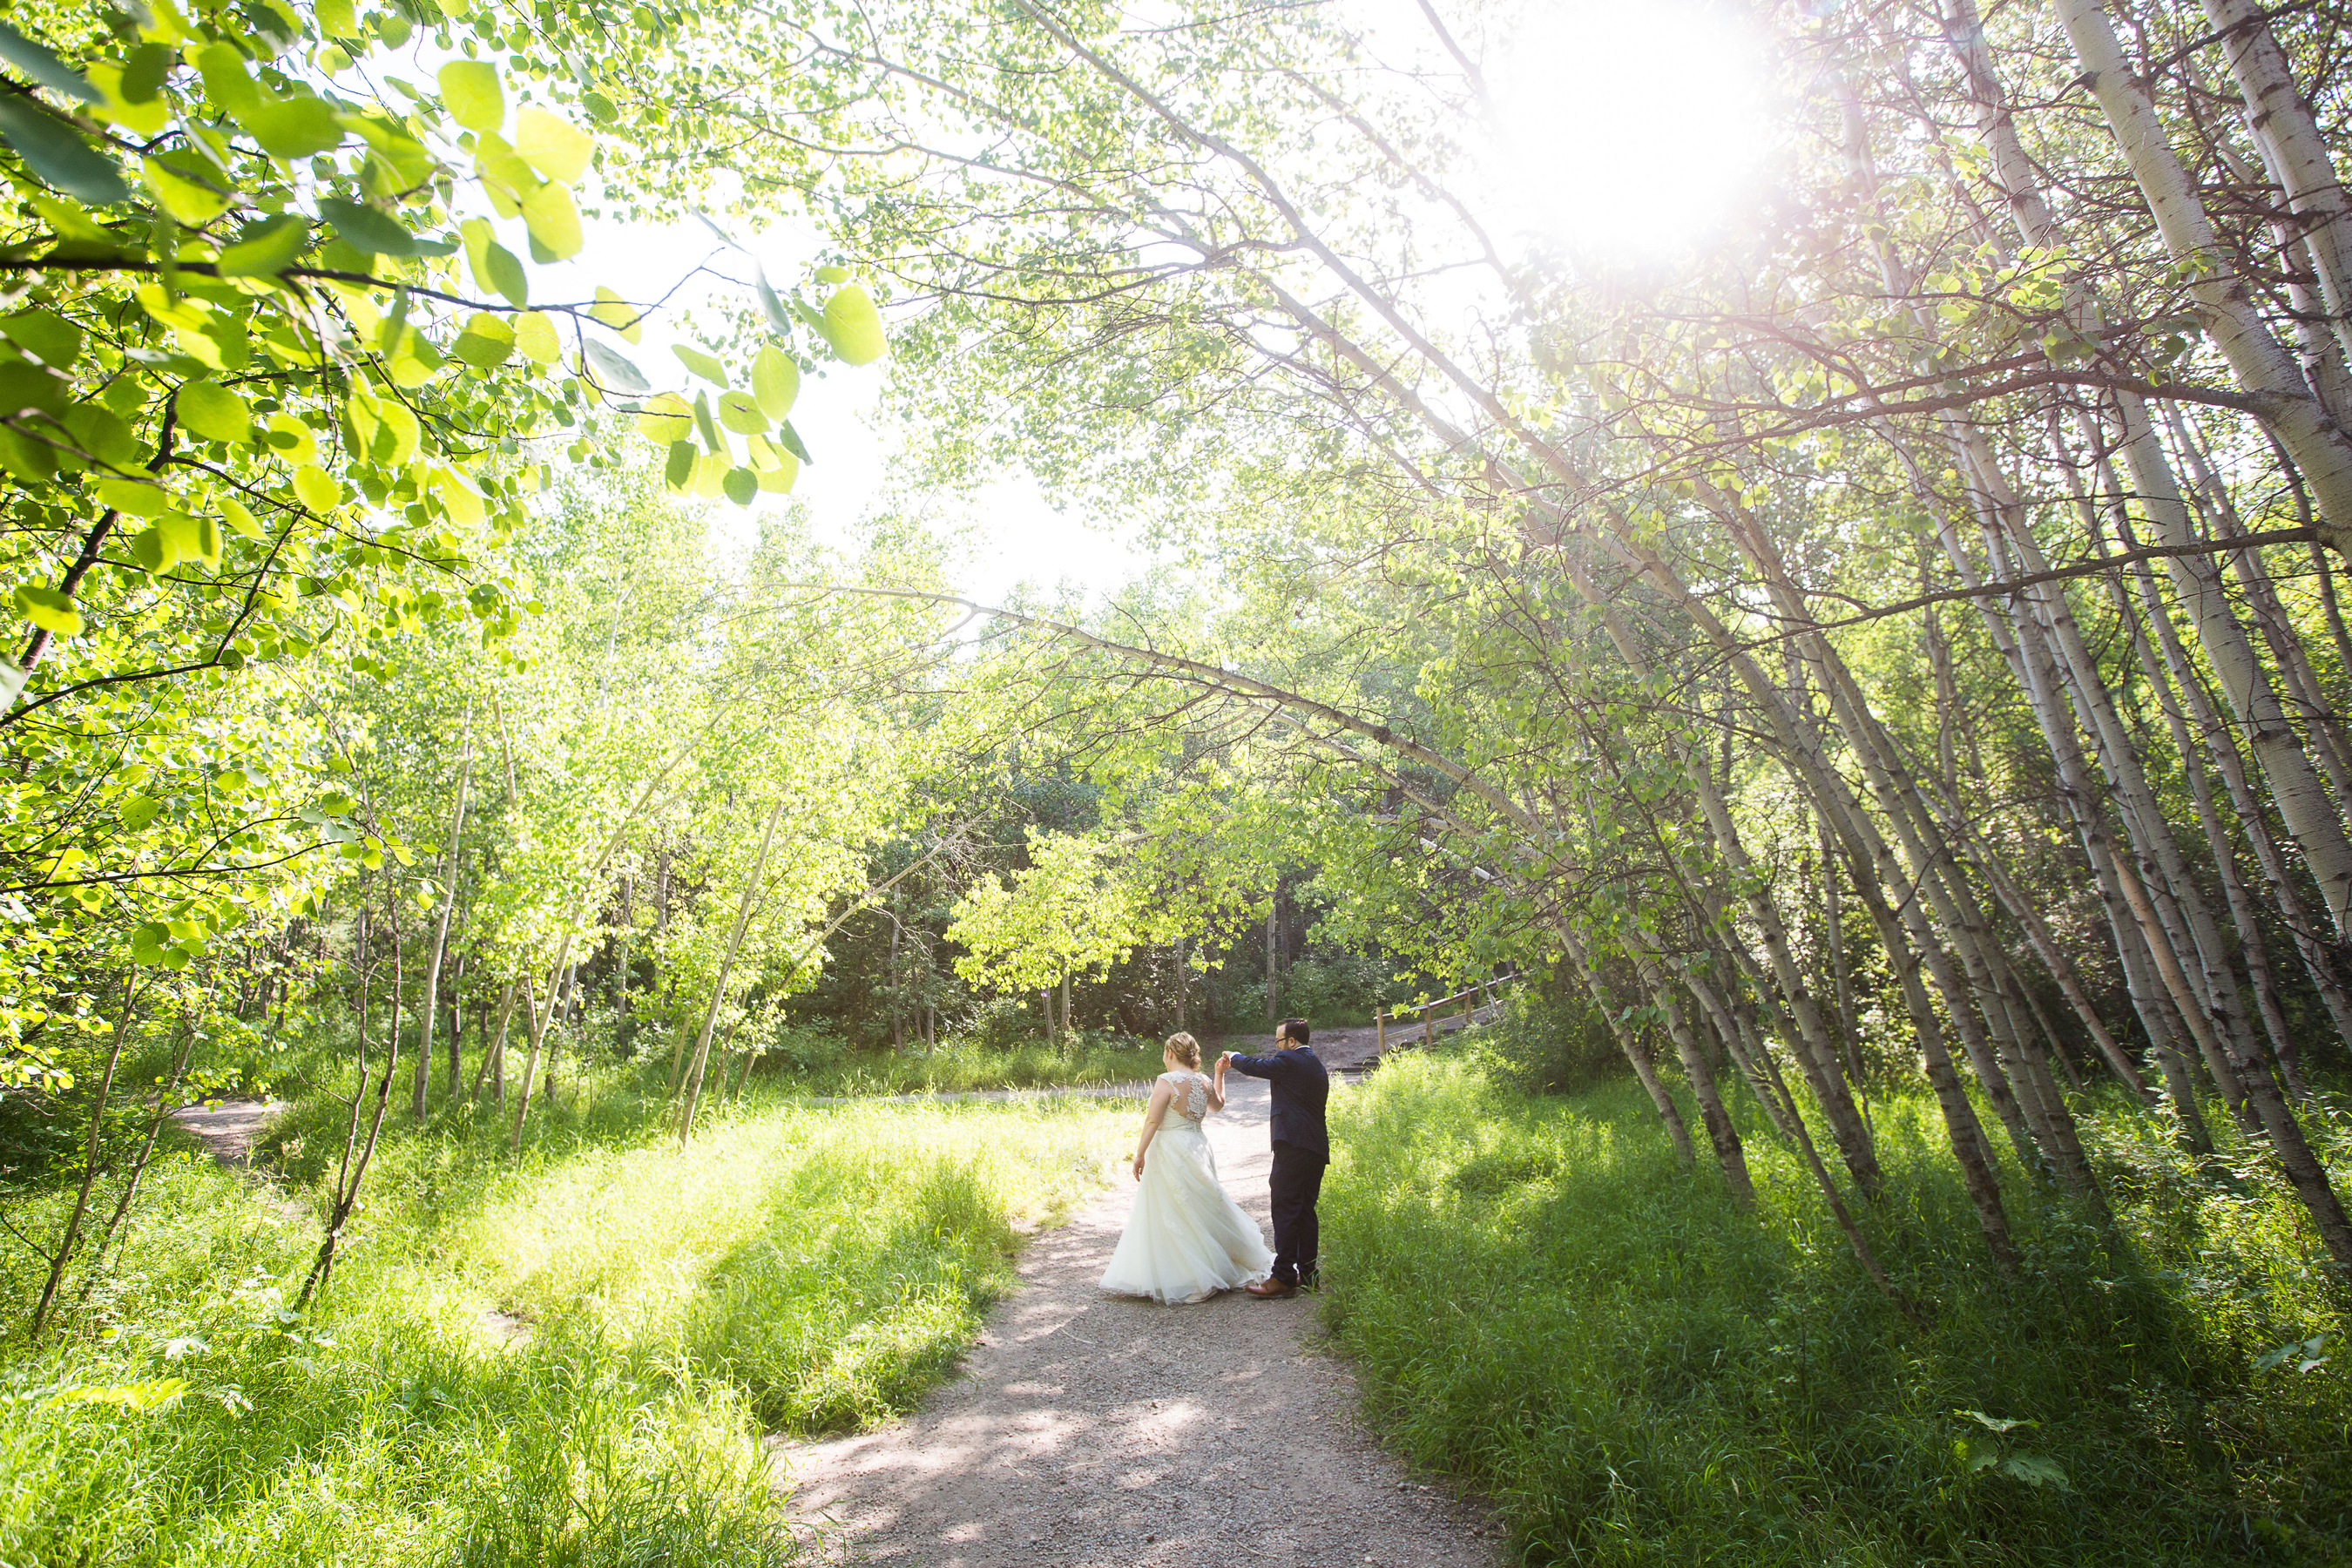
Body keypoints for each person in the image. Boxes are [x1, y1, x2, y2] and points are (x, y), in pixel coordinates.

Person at [1098, 1032, 1275, 1305]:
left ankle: (1190, 1274)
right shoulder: (1203, 1081)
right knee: (1198, 1204)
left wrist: (1139, 1154)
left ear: (1170, 1052)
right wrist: (1220, 1075)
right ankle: (1205, 1266)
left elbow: (1152, 1121)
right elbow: (1218, 1105)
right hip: (1197, 1145)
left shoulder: (1166, 1081)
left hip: (1170, 1147)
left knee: (1172, 1207)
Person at [1220, 1017, 1328, 1299]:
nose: (1277, 1047)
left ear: (1291, 1042)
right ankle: (1308, 1273)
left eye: (1279, 1042)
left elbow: (1257, 1066)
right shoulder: (1317, 1065)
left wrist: (1234, 1057)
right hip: (1316, 1149)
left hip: (1292, 1146)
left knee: (1284, 1207)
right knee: (1305, 1211)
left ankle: (1282, 1276)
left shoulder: (1290, 1061)